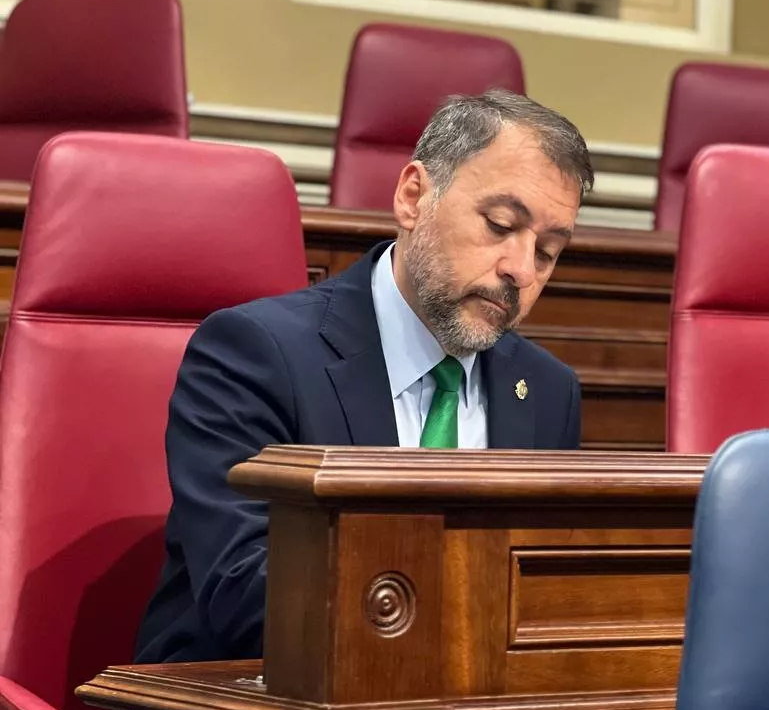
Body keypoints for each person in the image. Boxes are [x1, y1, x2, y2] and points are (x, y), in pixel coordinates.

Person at [135, 89, 593, 664]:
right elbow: (248, 598)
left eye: (548, 252)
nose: (521, 271)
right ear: (413, 197)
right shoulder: (255, 354)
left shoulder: (548, 393)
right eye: (501, 225)